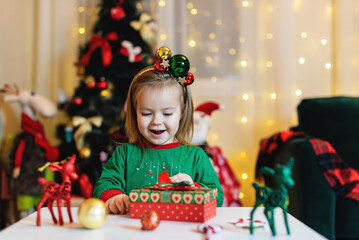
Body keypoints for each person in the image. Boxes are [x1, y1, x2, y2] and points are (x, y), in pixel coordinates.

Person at [93, 47, 224, 214]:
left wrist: (194, 188)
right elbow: (104, 184)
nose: (156, 121)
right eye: (146, 113)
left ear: (182, 112)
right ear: (135, 112)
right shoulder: (124, 155)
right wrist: (115, 197)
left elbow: (217, 198)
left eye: (167, 113)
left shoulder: (196, 157)